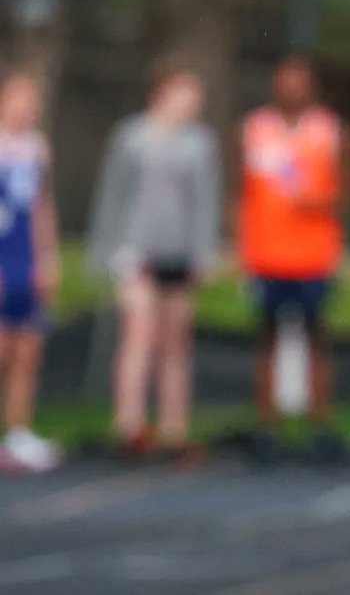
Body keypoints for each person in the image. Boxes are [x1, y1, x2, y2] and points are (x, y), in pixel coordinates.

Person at [89, 62, 220, 463]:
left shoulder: (200, 143)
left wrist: (203, 253)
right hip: (137, 249)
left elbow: (205, 201)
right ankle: (129, 424)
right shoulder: (132, 137)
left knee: (176, 342)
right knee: (139, 335)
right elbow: (113, 194)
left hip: (178, 253)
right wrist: (106, 251)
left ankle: (173, 427)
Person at [236, 55, 350, 460]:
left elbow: (344, 191)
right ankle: (266, 425)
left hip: (313, 255)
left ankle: (320, 424)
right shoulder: (255, 129)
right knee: (265, 338)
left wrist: (317, 202)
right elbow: (239, 191)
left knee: (317, 338)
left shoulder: (329, 130)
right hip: (266, 254)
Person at [0, 72, 63, 473]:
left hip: (26, 260)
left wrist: (47, 259)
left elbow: (42, 207)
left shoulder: (37, 148)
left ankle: (18, 432)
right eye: (19, 98)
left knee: (28, 351)